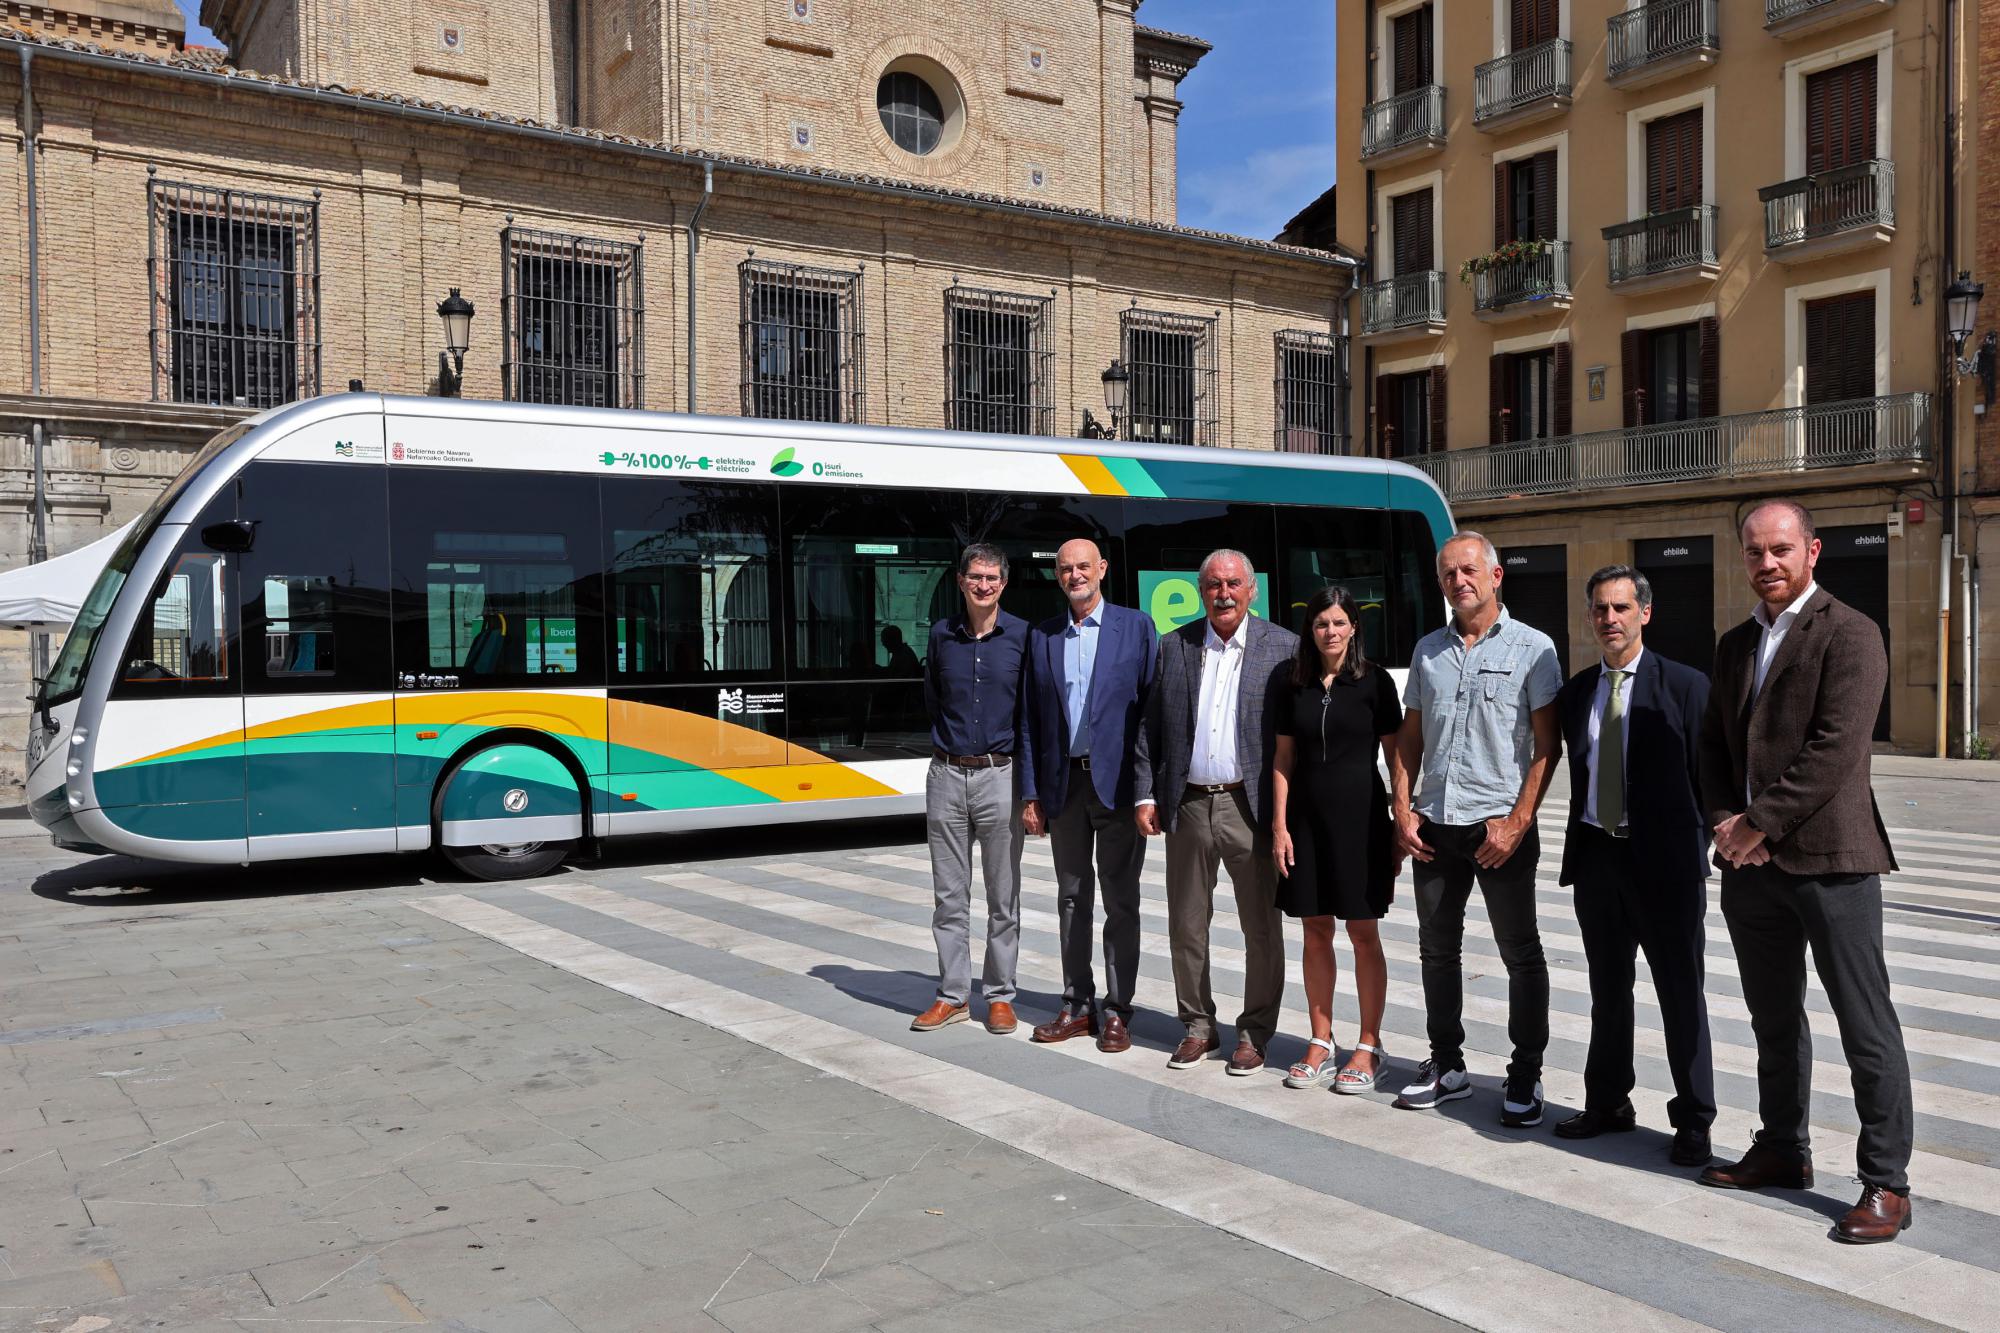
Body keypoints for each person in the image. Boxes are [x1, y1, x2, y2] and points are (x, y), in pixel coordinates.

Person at [1696, 500, 1914, 1244]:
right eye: (1754, 551)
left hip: (1833, 861)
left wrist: (1756, 823)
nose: (1767, 563)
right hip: (1751, 871)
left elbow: (1835, 749)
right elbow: (1712, 746)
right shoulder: (1732, 645)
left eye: (1781, 548)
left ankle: (1887, 1180)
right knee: (1774, 1020)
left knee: (1865, 1025)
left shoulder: (1852, 633)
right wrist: (1726, 821)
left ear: (1813, 551)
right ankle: (1784, 1148)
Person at [1390, 530, 1561, 1126]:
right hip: (1435, 824)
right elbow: (1409, 738)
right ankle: (1447, 1065)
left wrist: (1516, 822)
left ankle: (1526, 1073)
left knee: (1521, 954)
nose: (1458, 581)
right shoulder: (1428, 651)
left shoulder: (1533, 648)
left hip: (1497, 831)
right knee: (1437, 951)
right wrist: (1403, 810)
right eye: (1447, 573)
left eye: (1468, 570)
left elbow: (1547, 745)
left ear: (1495, 576)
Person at [1553, 566, 1716, 1165]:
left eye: (1621, 607)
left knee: (1681, 993)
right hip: (1599, 858)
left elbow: (1709, 777)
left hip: (1666, 867)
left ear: (1645, 612)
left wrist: (1700, 848)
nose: (1610, 619)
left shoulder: (1686, 686)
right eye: (1600, 609)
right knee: (1607, 990)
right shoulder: (1576, 693)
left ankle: (1694, 1118)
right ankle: (1608, 1103)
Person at [1132, 550, 1298, 1074]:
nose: (1222, 594)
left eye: (1232, 584)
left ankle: (1253, 1032)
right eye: (1212, 586)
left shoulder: (1283, 648)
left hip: (1250, 806)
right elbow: (1148, 729)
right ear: (1200, 592)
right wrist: (1145, 794)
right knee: (1186, 924)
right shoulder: (1173, 646)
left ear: (1251, 590)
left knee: (1261, 927)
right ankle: (1198, 1027)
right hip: (1187, 803)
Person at [1019, 539, 1159, 1054]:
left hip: (1119, 787)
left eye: (1083, 566)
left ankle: (1119, 1010)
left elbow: (1150, 715)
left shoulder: (1136, 627)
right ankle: (1077, 1004)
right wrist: (1030, 792)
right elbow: (1030, 722)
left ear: (1102, 569)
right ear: (1057, 576)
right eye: (1065, 569)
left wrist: (1147, 789)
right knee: (1072, 899)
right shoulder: (1044, 636)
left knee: (1121, 900)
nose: (1075, 575)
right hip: (1065, 786)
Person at [1270, 585, 1401, 1093]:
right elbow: (1283, 759)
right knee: (1314, 930)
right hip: (1304, 820)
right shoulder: (1291, 680)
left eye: (1339, 622)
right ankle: (1321, 1041)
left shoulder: (1375, 682)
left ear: (1354, 628)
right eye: (1321, 623)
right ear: (1311, 630)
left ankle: (1369, 1046)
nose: (1330, 631)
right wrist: (1280, 827)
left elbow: (1396, 757)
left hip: (1362, 820)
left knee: (1363, 934)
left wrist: (1401, 818)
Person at [911, 543, 1028, 1036]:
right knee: (949, 897)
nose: (984, 586)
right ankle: (953, 995)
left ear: (1003, 583)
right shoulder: (941, 636)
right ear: (960, 582)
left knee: (1004, 896)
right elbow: (933, 700)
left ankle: (999, 995)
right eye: (975, 577)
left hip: (1001, 776)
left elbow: (1031, 715)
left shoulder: (1023, 637)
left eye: (992, 578)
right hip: (945, 775)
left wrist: (1033, 791)